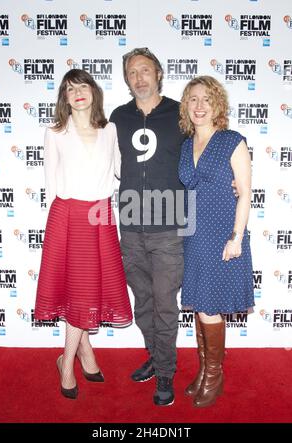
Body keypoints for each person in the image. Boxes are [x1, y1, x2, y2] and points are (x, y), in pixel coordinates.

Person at [34, 69, 133, 399]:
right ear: (64, 97)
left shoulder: (111, 130)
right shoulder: (56, 132)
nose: (77, 92)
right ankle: (68, 364)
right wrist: (61, 223)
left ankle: (81, 354)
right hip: (69, 215)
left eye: (83, 86)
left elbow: (123, 171)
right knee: (81, 290)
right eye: (70, 88)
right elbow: (50, 186)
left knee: (86, 290)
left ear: (94, 91)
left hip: (102, 215)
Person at [110, 48, 186, 406]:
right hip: (130, 225)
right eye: (132, 73)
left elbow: (203, 149)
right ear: (127, 80)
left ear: (158, 73)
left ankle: (167, 371)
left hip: (169, 228)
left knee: (165, 305)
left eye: (145, 70)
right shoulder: (119, 117)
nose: (139, 77)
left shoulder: (178, 113)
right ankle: (155, 357)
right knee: (142, 301)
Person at [178, 75, 254, 408]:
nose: (199, 106)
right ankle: (205, 370)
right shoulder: (185, 145)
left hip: (222, 233)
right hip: (193, 235)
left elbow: (246, 192)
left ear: (217, 104)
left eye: (206, 99)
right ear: (186, 105)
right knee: (199, 305)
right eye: (193, 99)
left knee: (210, 307)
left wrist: (237, 236)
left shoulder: (232, 141)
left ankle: (214, 376)